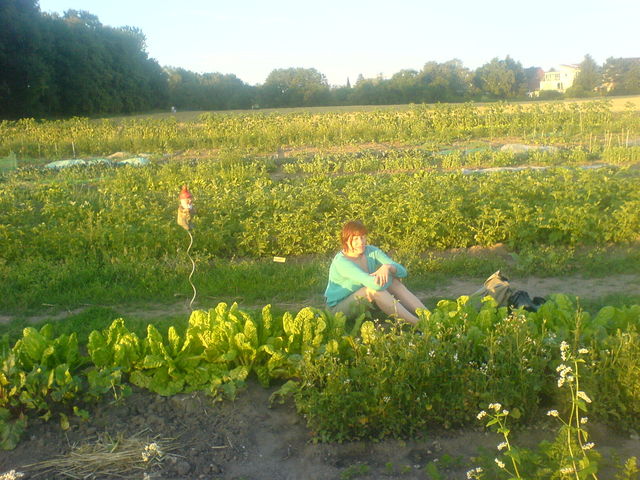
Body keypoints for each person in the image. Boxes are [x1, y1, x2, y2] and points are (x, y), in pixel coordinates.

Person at [324, 220, 427, 324]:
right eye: (355, 239)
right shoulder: (342, 262)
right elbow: (375, 285)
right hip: (339, 309)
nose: (361, 242)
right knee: (373, 290)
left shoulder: (371, 251)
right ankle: (419, 324)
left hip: (362, 303)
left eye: (363, 237)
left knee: (394, 282)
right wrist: (386, 278)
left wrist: (387, 267)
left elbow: (402, 272)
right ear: (346, 241)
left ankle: (429, 317)